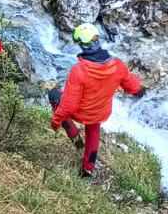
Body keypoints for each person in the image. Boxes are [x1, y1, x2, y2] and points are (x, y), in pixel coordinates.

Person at [48, 24, 145, 178]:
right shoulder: (117, 65)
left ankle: (74, 135)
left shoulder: (79, 71)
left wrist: (55, 121)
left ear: (82, 45)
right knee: (93, 129)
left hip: (80, 113)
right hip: (100, 112)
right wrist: (141, 92)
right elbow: (134, 88)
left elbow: (68, 107)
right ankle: (87, 170)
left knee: (54, 95)